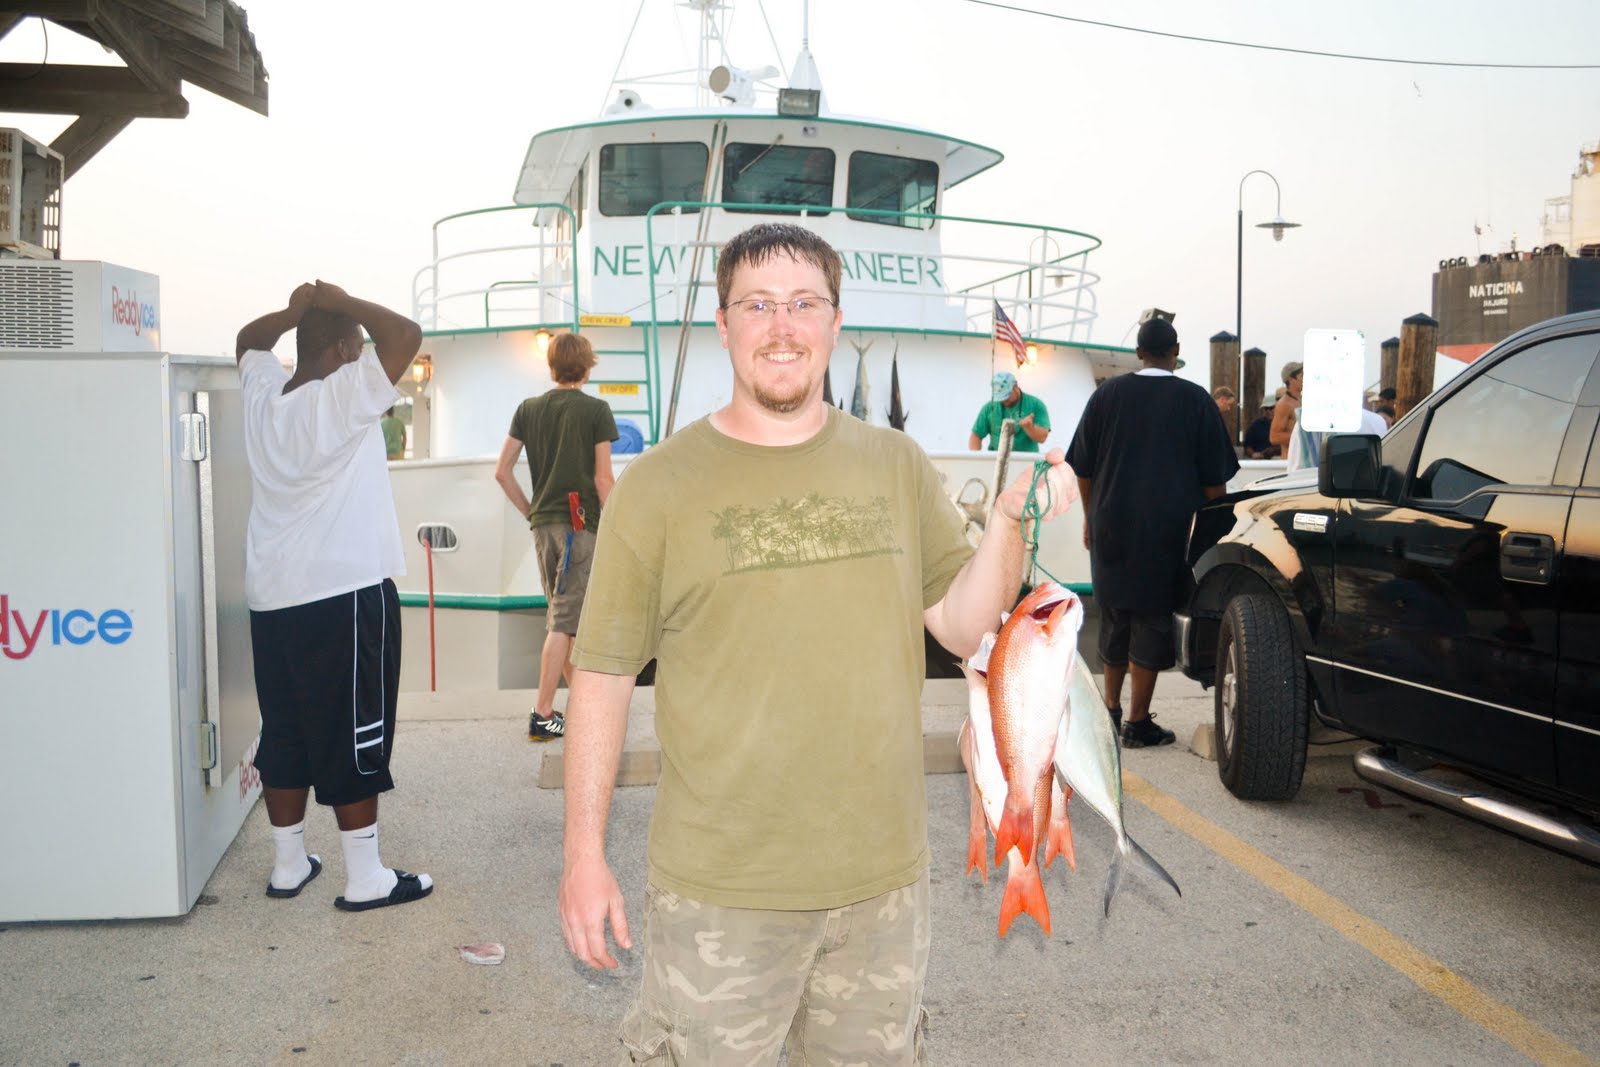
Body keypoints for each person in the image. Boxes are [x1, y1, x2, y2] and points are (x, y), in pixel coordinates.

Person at [557, 222, 1078, 1062]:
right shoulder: (655, 487)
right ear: (724, 325)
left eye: (804, 303)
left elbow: (962, 623)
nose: (781, 326)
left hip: (882, 895)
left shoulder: (897, 464)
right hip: (718, 897)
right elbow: (602, 676)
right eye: (756, 304)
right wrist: (584, 853)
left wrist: (1011, 522)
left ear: (836, 322)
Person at [236, 281, 434, 912]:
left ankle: (289, 866)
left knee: (286, 730)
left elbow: (248, 341)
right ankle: (365, 875)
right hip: (341, 593)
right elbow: (405, 335)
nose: (363, 356)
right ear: (340, 351)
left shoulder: (266, 398)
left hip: (273, 598)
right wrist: (343, 298)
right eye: (355, 346)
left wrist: (294, 313)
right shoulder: (339, 397)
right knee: (353, 734)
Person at [1066, 317, 1239, 748]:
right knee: (1153, 619)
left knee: (1115, 614)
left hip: (1111, 522)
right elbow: (1215, 482)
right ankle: (1138, 722)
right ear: (1175, 350)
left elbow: (1082, 468)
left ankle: (1109, 710)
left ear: (1138, 353)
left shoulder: (1106, 396)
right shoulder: (1195, 400)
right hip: (1170, 528)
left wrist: (1091, 517)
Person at [494, 331, 618, 741]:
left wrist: (532, 511)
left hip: (545, 527)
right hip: (580, 527)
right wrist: (620, 527)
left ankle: (581, 710)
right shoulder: (596, 410)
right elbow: (603, 479)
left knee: (568, 619)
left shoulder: (528, 409)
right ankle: (543, 714)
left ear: (552, 366)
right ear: (587, 365)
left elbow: (502, 471)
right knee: (565, 623)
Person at [967, 370, 1050, 452]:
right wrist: (976, 459)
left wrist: (1029, 428)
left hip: (1026, 461)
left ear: (1016, 386)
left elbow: (1042, 438)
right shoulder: (989, 407)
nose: (1003, 400)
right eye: (1000, 397)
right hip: (996, 460)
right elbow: (976, 436)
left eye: (1006, 395)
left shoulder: (1036, 404)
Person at [1269, 361, 1303, 454]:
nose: (1305, 379)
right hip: (1290, 462)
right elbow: (1274, 437)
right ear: (1291, 379)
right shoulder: (1284, 404)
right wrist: (1303, 437)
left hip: (1303, 461)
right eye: (1302, 376)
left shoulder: (1302, 400)